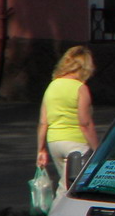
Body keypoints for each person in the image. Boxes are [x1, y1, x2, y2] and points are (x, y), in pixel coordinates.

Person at [36, 46, 100, 194]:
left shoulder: (52, 86)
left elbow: (43, 122)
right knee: (69, 189)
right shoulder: (80, 88)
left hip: (54, 143)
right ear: (85, 67)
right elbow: (85, 123)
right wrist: (97, 148)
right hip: (75, 145)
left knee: (66, 184)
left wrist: (41, 149)